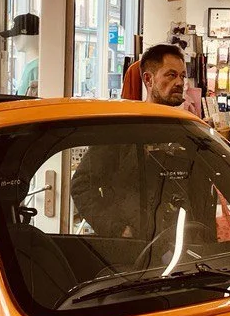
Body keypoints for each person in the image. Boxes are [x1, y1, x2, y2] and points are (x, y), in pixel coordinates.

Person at [71, 45, 188, 235]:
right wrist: (118, 229)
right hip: (136, 250)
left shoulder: (187, 132)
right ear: (149, 79)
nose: (180, 82)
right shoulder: (124, 131)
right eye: (171, 75)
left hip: (184, 244)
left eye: (182, 76)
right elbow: (82, 186)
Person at [1, 13, 40, 97]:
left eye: (17, 35)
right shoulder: (31, 65)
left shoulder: (36, 67)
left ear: (30, 36)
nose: (14, 39)